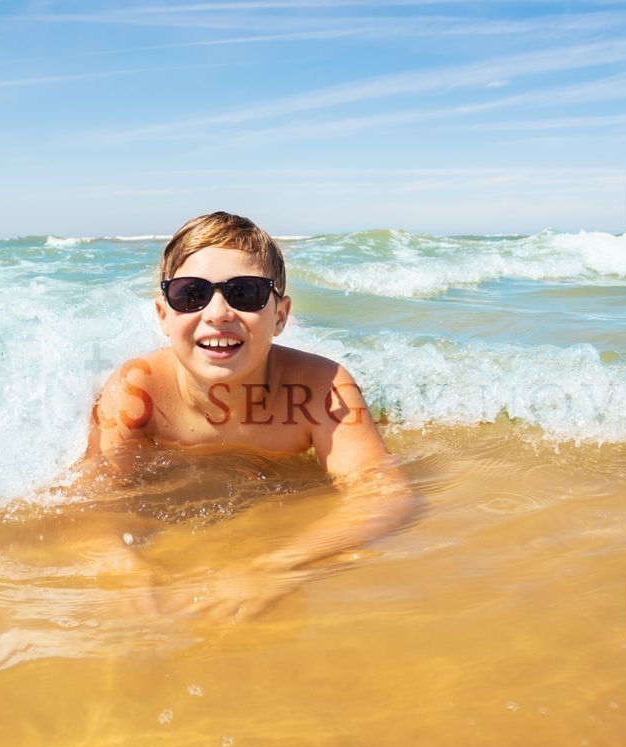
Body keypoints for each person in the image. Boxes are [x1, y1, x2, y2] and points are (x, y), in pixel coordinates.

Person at [85, 211, 418, 621]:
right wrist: (123, 567)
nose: (218, 313)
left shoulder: (321, 386)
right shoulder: (137, 389)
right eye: (192, 294)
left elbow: (385, 494)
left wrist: (274, 567)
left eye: (245, 293)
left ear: (280, 316)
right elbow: (89, 502)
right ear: (163, 316)